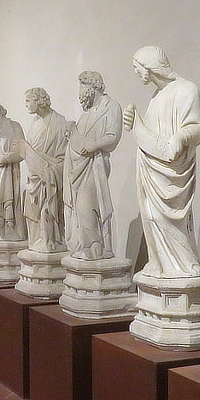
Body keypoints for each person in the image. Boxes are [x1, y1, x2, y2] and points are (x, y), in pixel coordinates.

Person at [123, 46, 200, 278]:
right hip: (151, 169)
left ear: (150, 66)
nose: (136, 72)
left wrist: (182, 136)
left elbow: (198, 128)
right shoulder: (156, 96)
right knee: (151, 216)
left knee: (169, 218)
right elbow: (151, 133)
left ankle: (186, 265)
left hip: (172, 169)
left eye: (137, 67)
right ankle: (159, 263)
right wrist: (134, 123)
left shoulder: (187, 89)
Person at [63, 71, 123, 260]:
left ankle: (95, 245)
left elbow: (113, 137)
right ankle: (86, 245)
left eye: (82, 87)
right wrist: (71, 131)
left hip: (95, 165)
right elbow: (78, 142)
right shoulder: (86, 113)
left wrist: (95, 144)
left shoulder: (111, 107)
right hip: (78, 168)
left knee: (86, 205)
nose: (80, 93)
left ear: (92, 87)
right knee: (80, 208)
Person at [19, 87, 69, 252]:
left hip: (49, 175)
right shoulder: (35, 122)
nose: (26, 104)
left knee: (47, 209)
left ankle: (50, 240)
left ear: (38, 100)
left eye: (28, 101)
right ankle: (37, 240)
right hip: (33, 177)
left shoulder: (59, 122)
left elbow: (63, 156)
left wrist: (49, 167)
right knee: (32, 211)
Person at [0, 103, 26, 241]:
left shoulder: (14, 127)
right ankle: (0, 231)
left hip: (9, 174)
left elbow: (22, 152)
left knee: (8, 201)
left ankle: (10, 229)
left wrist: (6, 158)